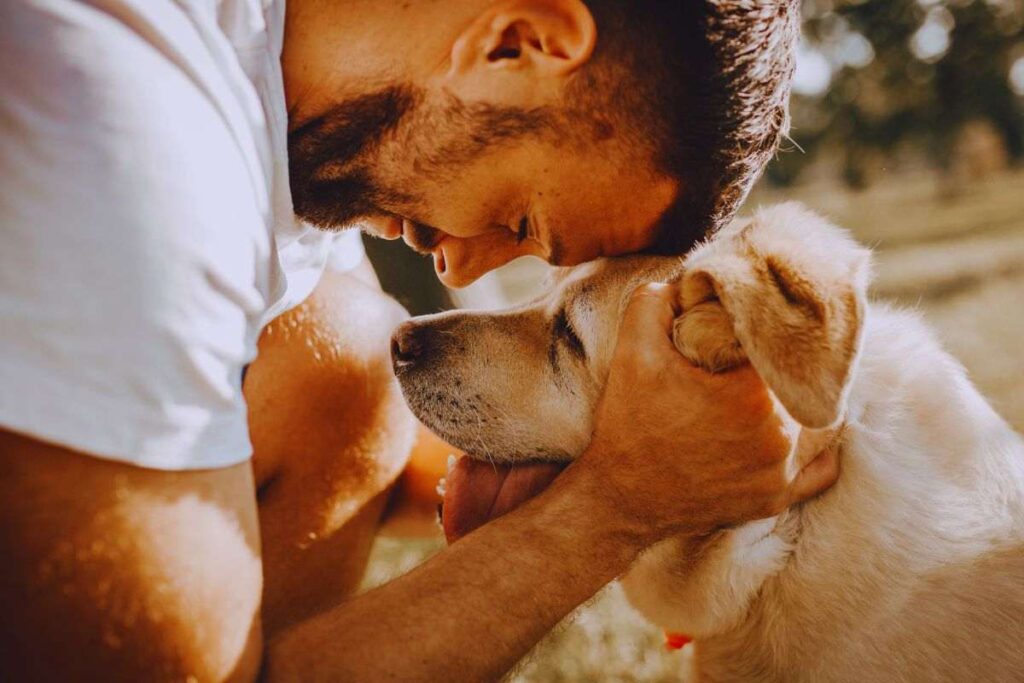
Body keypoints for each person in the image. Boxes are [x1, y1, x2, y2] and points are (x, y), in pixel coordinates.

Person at [0, 1, 837, 680]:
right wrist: (617, 507)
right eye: (519, 219)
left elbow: (370, 456)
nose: (462, 272)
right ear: (518, 42)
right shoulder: (127, 132)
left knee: (344, 354)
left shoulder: (274, 101)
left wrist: (681, 459)